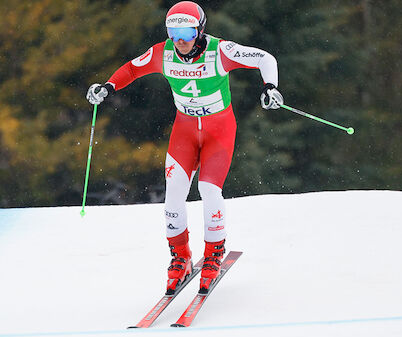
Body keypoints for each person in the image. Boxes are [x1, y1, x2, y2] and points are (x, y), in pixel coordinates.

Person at [86, 1, 284, 294]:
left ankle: (214, 253)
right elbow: (131, 69)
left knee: (209, 190)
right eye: (173, 32)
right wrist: (108, 87)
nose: (179, 40)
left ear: (200, 30)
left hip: (219, 131)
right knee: (174, 192)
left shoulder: (221, 51)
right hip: (185, 131)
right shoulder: (163, 53)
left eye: (187, 32)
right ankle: (180, 257)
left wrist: (271, 87)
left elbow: (264, 58)